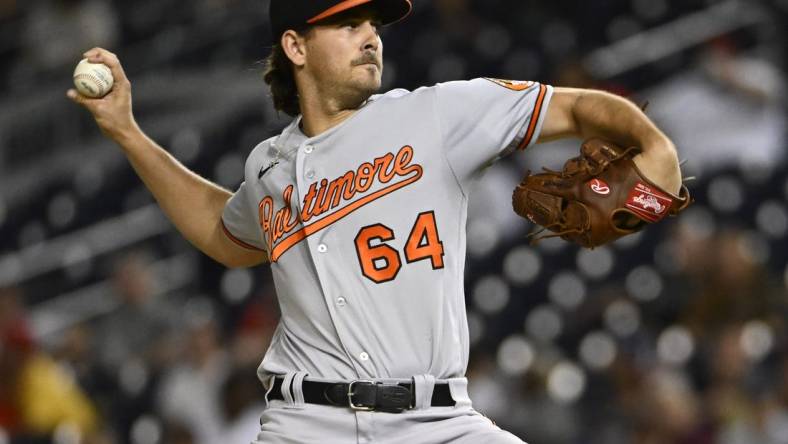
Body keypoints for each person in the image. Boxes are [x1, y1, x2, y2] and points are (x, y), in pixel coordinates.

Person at [67, 0, 682, 442]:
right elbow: (224, 237)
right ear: (295, 46)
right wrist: (126, 131)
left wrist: (659, 154)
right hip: (306, 425)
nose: (370, 36)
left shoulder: (437, 114)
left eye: (373, 24)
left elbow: (575, 107)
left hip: (436, 421)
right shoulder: (269, 167)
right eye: (348, 22)